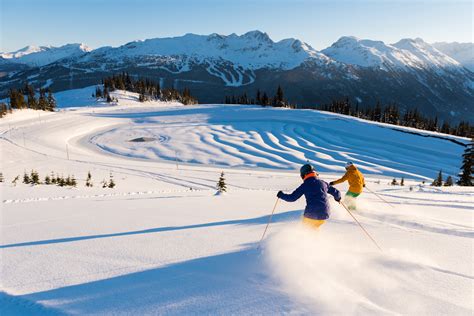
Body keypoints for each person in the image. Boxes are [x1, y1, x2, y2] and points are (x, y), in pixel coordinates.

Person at [277, 163, 341, 229]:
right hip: (325, 214)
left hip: (311, 214)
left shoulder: (305, 185)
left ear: (303, 175)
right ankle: (316, 238)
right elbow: (337, 193)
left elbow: (292, 198)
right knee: (314, 229)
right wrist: (338, 198)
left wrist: (281, 195)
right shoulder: (323, 183)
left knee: (305, 230)